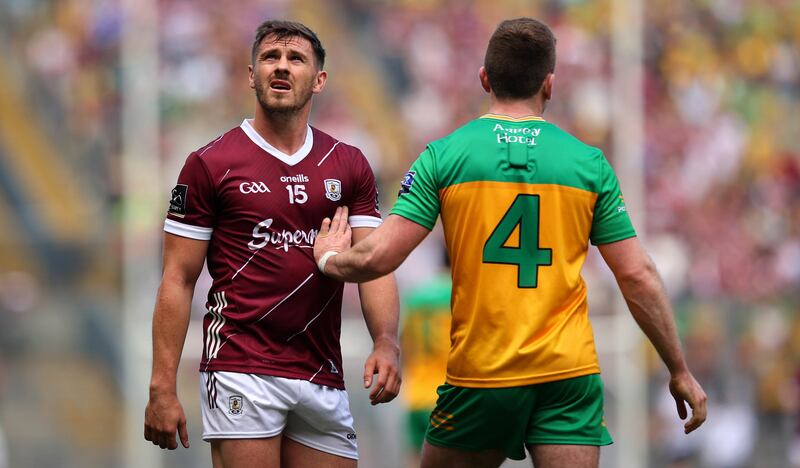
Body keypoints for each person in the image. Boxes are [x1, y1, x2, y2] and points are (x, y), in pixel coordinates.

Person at [313, 17, 707, 468]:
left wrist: (329, 259)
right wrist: (678, 369)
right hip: (567, 374)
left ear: (485, 78)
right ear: (550, 84)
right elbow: (637, 274)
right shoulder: (589, 164)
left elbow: (378, 255)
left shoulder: (444, 156)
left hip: (483, 374)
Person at [144, 20, 401, 468]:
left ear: (319, 80)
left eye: (295, 59)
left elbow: (375, 263)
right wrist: (162, 385)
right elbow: (178, 278)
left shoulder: (349, 164)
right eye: (270, 58)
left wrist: (386, 341)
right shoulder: (210, 163)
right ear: (251, 74)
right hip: (241, 365)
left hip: (323, 371)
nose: (281, 67)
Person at [399, 252, 452, 467]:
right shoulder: (464, 293)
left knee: (416, 460)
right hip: (451, 395)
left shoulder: (418, 296)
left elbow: (404, 341)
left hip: (417, 395)